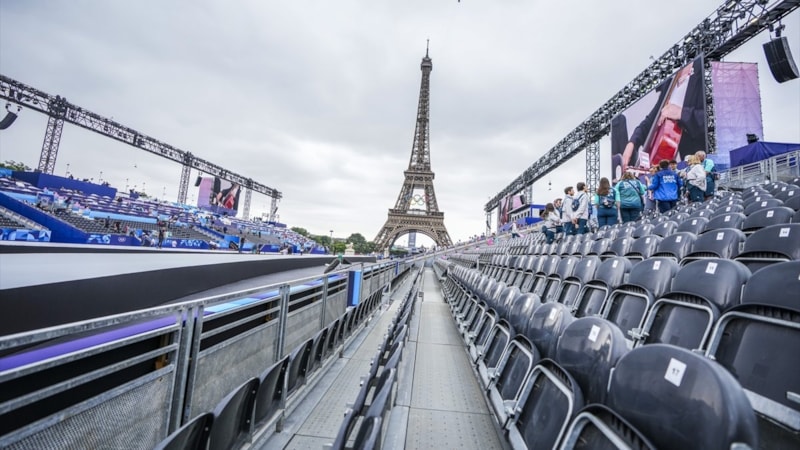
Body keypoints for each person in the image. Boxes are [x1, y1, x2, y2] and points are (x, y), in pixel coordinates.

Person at [612, 57, 706, 175]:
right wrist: (632, 143)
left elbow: (712, 119)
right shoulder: (671, 82)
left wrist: (681, 113)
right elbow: (651, 120)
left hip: (701, 163)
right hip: (684, 168)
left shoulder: (702, 70)